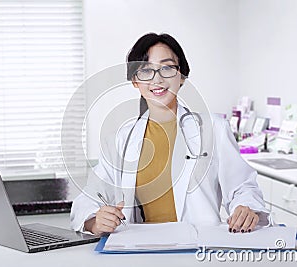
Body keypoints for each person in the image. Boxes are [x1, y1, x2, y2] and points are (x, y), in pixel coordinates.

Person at [70, 33, 270, 236]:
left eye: (166, 68)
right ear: (135, 81)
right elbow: (89, 197)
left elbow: (243, 187)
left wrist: (246, 207)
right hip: (139, 248)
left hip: (198, 246)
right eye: (146, 70)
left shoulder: (213, 129)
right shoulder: (122, 139)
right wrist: (95, 221)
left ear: (181, 76)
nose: (157, 79)